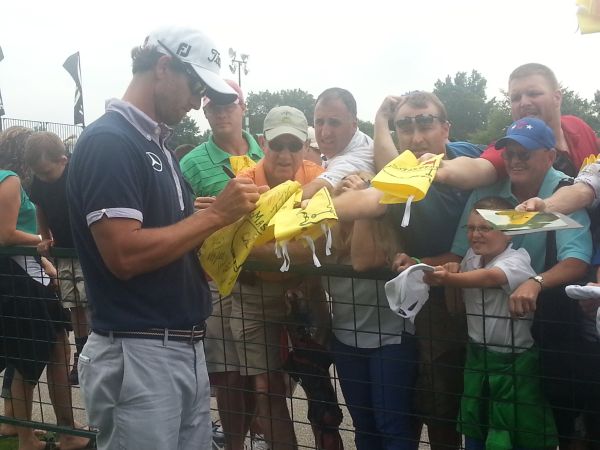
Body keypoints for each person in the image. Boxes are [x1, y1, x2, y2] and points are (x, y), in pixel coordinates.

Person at [67, 26, 263, 450]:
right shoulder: (110, 142)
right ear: (162, 67)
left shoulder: (154, 145)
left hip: (175, 347)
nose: (196, 102)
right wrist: (215, 217)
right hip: (138, 351)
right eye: (194, 86)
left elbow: (169, 234)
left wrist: (222, 220)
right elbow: (123, 254)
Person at [332, 91, 482, 450]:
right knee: (430, 407)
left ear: (446, 128)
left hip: (476, 301)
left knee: (479, 409)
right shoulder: (401, 179)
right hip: (426, 309)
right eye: (406, 127)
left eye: (426, 123)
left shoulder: (471, 158)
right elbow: (362, 194)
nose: (417, 137)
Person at [450, 117, 592, 447]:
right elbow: (460, 249)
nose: (514, 160)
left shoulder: (563, 192)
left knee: (546, 425)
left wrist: (536, 282)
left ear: (549, 155)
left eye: (524, 153)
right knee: (482, 422)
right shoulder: (490, 192)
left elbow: (576, 259)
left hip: (548, 327)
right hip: (490, 332)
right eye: (509, 152)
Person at [424, 197, 558, 450]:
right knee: (475, 426)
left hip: (513, 363)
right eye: (471, 228)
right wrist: (427, 265)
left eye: (485, 228)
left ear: (508, 234)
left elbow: (490, 277)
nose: (476, 234)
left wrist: (450, 279)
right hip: (477, 358)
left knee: (518, 432)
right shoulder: (470, 260)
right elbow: (457, 308)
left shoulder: (517, 261)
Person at [179, 78, 263, 450]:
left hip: (268, 277)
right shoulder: (190, 163)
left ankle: (264, 433)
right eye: (213, 106)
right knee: (228, 373)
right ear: (205, 109)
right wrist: (191, 214)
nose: (222, 112)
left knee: (266, 374)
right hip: (217, 279)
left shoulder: (272, 152)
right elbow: (175, 221)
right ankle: (233, 445)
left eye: (230, 104)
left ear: (243, 106)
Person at [0, 126, 90, 450]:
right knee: (31, 355)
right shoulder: (9, 179)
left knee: (45, 349)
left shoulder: (14, 181)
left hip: (24, 273)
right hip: (19, 276)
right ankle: (30, 436)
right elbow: (6, 233)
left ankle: (55, 428)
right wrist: (43, 241)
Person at [327, 170, 418, 450]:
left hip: (390, 340)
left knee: (391, 425)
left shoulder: (385, 239)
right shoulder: (326, 240)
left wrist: (365, 203)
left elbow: (363, 262)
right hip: (346, 341)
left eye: (359, 201)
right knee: (364, 425)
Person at [435, 63, 600, 189]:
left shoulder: (577, 126)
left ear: (557, 97)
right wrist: (441, 168)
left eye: (533, 93)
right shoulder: (512, 148)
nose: (524, 103)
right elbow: (479, 167)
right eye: (515, 98)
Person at [23, 131, 88, 386]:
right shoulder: (40, 182)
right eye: (38, 173)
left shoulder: (78, 176)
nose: (43, 178)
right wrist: (45, 236)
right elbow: (40, 206)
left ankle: (95, 351)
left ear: (64, 160)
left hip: (85, 250)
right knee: (74, 303)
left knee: (89, 300)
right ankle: (81, 354)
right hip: (64, 252)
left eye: (47, 172)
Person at [301, 87, 374, 199]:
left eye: (334, 123)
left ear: (354, 125)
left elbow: (315, 190)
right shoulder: (351, 144)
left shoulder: (358, 157)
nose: (325, 133)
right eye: (319, 122)